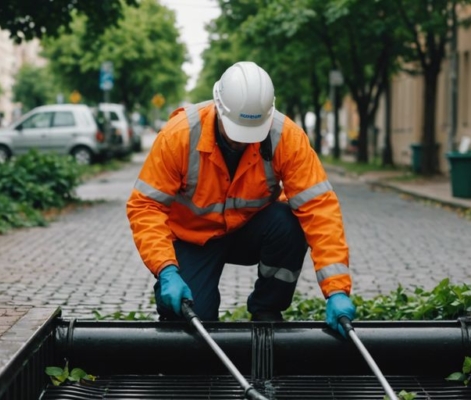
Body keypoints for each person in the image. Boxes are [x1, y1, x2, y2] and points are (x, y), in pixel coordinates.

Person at [126, 61, 355, 336]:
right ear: (219, 109)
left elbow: (319, 209)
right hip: (193, 239)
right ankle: (180, 300)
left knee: (289, 221)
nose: (243, 143)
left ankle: (267, 310)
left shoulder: (286, 137)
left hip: (248, 231)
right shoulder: (179, 136)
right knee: (192, 323)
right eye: (237, 134)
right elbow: (145, 206)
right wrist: (166, 270)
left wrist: (337, 290)